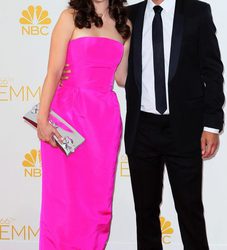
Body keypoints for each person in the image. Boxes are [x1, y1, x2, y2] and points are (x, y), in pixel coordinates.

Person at [125, 0, 224, 249]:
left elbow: (212, 71)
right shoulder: (129, 15)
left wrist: (211, 125)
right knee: (145, 214)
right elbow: (106, 51)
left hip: (185, 128)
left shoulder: (197, 11)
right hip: (142, 128)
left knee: (190, 211)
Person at [36, 0, 131, 248]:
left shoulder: (125, 25)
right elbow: (54, 71)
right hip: (67, 117)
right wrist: (42, 120)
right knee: (62, 201)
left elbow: (122, 78)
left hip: (104, 122)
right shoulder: (70, 17)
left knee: (97, 201)